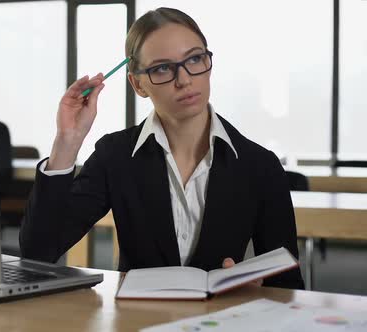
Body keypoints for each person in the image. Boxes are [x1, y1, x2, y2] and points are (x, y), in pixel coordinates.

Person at [20, 7, 304, 289]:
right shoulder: (115, 156)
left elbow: (288, 286)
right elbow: (38, 252)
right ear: (138, 84)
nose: (184, 80)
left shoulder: (259, 165)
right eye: (163, 68)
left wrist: (256, 290)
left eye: (194, 59)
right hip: (137, 322)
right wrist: (67, 141)